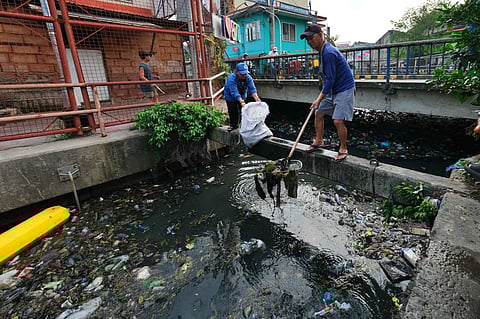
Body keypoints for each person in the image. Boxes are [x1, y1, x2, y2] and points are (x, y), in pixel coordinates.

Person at [300, 24, 355, 162]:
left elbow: (331, 79)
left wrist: (318, 99)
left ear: (320, 35)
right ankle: (319, 141)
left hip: (344, 88)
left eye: (311, 38)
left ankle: (343, 147)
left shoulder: (328, 52)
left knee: (337, 120)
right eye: (307, 40)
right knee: (318, 113)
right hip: (333, 89)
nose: (310, 42)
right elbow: (328, 79)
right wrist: (320, 99)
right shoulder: (322, 51)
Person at [223, 62, 261, 130]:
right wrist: (241, 101)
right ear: (237, 72)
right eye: (242, 74)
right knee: (233, 111)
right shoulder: (231, 78)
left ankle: (244, 125)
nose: (244, 76)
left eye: (245, 74)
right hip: (230, 96)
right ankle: (233, 125)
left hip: (242, 94)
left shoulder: (248, 78)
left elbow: (252, 89)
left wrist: (256, 98)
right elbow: (234, 92)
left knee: (244, 111)